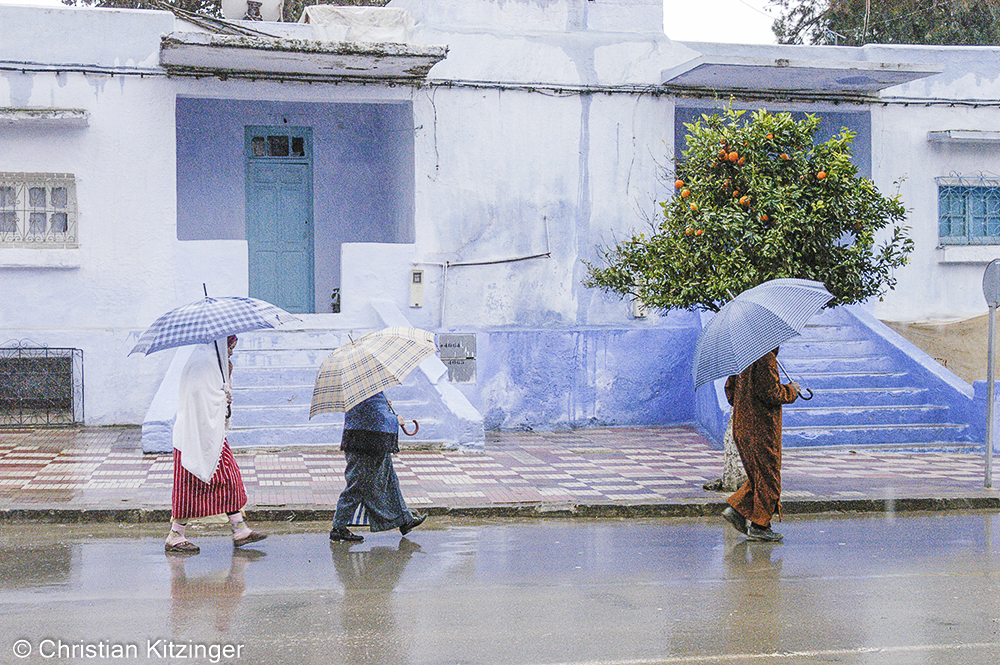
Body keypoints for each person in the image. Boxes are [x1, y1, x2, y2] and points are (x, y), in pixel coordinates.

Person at [164, 335, 267, 554]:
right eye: (230, 347)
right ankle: (175, 535)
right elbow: (199, 396)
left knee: (230, 478)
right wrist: (223, 397)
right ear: (221, 344)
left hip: (212, 436)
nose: (231, 351)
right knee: (188, 487)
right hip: (192, 437)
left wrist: (224, 390)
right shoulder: (202, 363)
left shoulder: (215, 363)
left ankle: (239, 529)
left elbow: (214, 393)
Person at [721, 348, 799, 542]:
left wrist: (745, 403)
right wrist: (792, 390)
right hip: (762, 428)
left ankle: (737, 511)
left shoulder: (741, 356)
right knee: (769, 478)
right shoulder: (765, 358)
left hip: (742, 425)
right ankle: (760, 526)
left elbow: (730, 391)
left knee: (759, 476)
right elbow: (771, 393)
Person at [329, 391, 425, 542]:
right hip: (364, 445)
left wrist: (383, 404)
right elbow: (372, 416)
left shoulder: (368, 390)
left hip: (374, 443)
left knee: (390, 480)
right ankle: (338, 527)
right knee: (357, 486)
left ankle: (405, 520)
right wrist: (395, 420)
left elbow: (374, 410)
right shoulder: (362, 391)